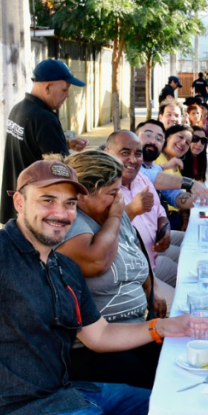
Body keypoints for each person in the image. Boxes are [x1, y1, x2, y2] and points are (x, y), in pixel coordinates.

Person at [0, 159, 208, 415]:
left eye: (69, 203)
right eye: (47, 200)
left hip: (72, 393)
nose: (60, 212)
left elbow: (100, 334)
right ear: (19, 202)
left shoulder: (63, 267)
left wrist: (161, 327)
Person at [57, 150, 170, 388]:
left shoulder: (112, 214)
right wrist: (117, 216)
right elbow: (96, 262)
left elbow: (138, 254)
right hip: (94, 347)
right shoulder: (72, 223)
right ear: (82, 195)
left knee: (176, 362)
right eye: (112, 192)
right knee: (149, 385)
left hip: (134, 329)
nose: (120, 198)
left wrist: (153, 291)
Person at [0, 59, 89, 223]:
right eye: (65, 89)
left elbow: (30, 144)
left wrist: (67, 143)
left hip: (16, 206)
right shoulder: (44, 119)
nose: (67, 95)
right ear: (47, 87)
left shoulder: (19, 109)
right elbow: (63, 170)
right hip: (35, 212)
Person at [103, 130, 181, 294]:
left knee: (190, 267)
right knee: (178, 300)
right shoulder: (102, 189)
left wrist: (165, 230)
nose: (133, 160)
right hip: (134, 275)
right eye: (125, 153)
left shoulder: (141, 179)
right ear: (107, 154)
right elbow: (103, 236)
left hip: (154, 256)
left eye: (137, 154)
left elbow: (160, 212)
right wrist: (132, 210)